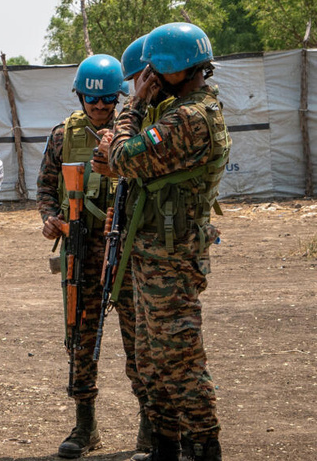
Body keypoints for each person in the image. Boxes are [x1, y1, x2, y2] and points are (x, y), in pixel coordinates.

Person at [102, 23, 230, 461]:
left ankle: (204, 444)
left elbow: (124, 157)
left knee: (179, 358)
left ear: (180, 69)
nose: (149, 78)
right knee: (150, 357)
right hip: (154, 252)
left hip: (171, 259)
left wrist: (134, 106)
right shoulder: (185, 109)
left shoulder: (189, 118)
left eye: (156, 70)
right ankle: (165, 444)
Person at [37, 54, 150, 458]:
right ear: (80, 97)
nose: (100, 107)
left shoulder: (134, 133)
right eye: (92, 99)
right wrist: (50, 219)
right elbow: (46, 188)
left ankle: (150, 426)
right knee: (80, 339)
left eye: (108, 100)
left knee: (140, 339)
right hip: (81, 251)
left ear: (119, 98)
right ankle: (85, 426)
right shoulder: (62, 136)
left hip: (126, 252)